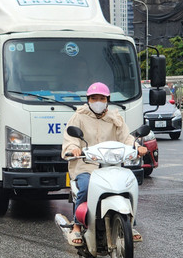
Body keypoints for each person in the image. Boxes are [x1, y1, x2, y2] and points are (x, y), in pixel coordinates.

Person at [61, 82, 148, 246]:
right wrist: (74, 149)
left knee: (127, 185)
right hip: (86, 165)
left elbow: (126, 138)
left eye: (102, 98)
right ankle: (77, 226)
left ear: (107, 100)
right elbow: (70, 139)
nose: (98, 101)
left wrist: (137, 146)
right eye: (94, 98)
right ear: (88, 100)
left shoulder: (115, 119)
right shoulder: (79, 117)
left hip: (111, 166)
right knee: (86, 188)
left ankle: (129, 224)